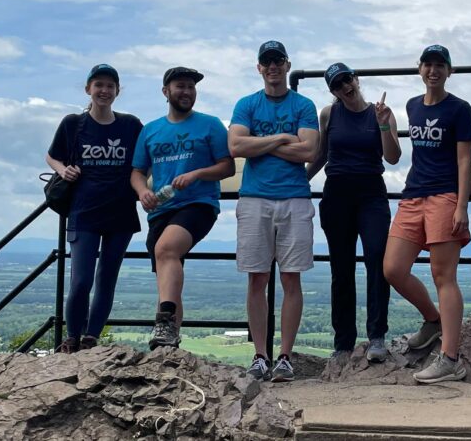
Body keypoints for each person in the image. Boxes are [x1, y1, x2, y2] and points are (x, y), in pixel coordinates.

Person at [383, 44, 471, 384]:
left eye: (440, 65)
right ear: (420, 69)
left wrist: (462, 205)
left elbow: (465, 160)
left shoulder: (460, 109)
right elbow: (395, 153)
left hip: (444, 196)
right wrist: (382, 126)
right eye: (428, 64)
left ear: (449, 71)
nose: (433, 70)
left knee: (443, 276)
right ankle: (433, 319)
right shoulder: (411, 106)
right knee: (392, 268)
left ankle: (451, 358)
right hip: (413, 195)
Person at [228, 41, 320, 382]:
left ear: (287, 64)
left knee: (291, 277)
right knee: (257, 278)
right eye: (267, 62)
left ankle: (284, 357)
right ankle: (260, 355)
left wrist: (261, 145)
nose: (273, 67)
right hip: (254, 199)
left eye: (278, 61)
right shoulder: (247, 104)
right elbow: (236, 146)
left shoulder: (304, 104)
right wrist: (284, 138)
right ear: (259, 67)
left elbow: (309, 151)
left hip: (294, 199)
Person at [131, 67, 235, 350]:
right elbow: (137, 171)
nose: (187, 91)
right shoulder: (150, 130)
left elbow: (227, 166)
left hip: (198, 204)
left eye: (191, 87)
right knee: (167, 278)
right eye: (180, 86)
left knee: (165, 250)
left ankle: (164, 324)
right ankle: (169, 341)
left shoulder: (211, 124)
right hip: (161, 209)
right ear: (166, 91)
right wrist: (143, 191)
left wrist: (197, 174)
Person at [45, 64, 143, 353]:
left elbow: (144, 161)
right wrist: (63, 171)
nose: (104, 90)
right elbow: (52, 157)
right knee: (81, 280)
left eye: (110, 86)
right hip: (83, 211)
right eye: (98, 84)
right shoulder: (73, 123)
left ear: (117, 91)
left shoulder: (130, 125)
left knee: (107, 278)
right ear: (88, 88)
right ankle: (72, 337)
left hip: (121, 212)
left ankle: (91, 338)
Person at [307, 63, 401, 362]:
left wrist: (384, 123)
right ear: (333, 91)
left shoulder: (380, 112)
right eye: (337, 85)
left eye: (347, 79)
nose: (345, 87)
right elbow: (322, 154)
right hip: (337, 193)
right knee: (341, 268)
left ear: (356, 79)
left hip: (371, 193)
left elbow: (394, 156)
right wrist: (300, 181)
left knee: (377, 261)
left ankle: (376, 337)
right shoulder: (328, 114)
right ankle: (343, 343)